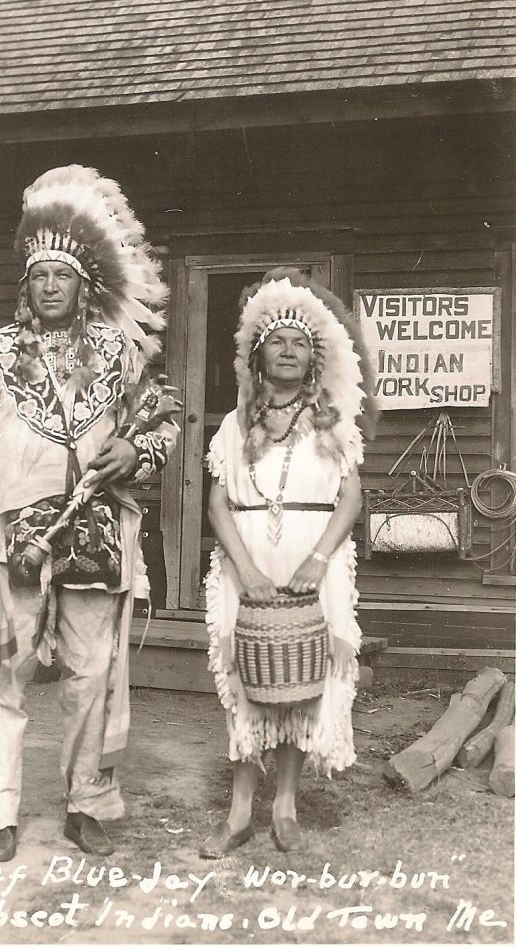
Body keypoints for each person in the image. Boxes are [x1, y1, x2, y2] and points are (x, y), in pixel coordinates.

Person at [0, 165, 179, 863]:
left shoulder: (118, 354)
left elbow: (163, 421)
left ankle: (86, 801)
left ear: (85, 285)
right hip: (17, 534)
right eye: (41, 275)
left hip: (98, 533)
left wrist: (133, 455)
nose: (51, 286)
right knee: (3, 669)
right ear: (28, 284)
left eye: (64, 276)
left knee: (91, 671)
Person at [200, 268, 377, 858]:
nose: (288, 351)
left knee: (303, 678)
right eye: (277, 341)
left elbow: (350, 497)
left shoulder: (333, 426)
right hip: (247, 552)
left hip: (313, 553)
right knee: (247, 677)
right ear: (258, 354)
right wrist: (245, 568)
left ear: (313, 359)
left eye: (300, 343)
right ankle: (239, 811)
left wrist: (320, 557)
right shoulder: (233, 425)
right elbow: (217, 499)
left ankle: (286, 806)